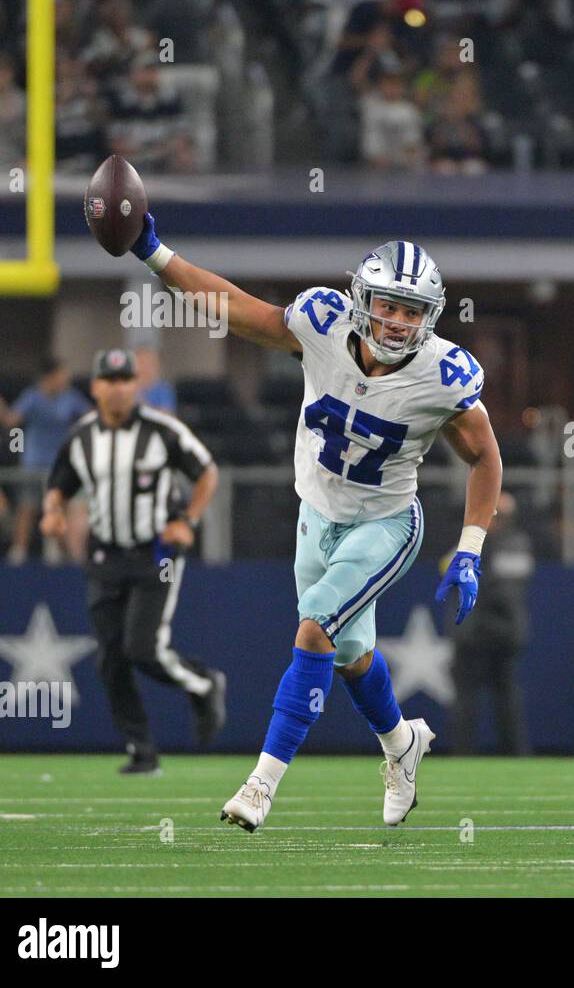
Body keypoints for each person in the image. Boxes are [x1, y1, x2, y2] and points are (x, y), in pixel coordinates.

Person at [113, 213, 502, 831]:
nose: (398, 321)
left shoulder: (442, 374)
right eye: (389, 305)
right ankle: (402, 745)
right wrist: (155, 254)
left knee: (317, 626)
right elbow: (238, 309)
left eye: (412, 311)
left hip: (386, 525)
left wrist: (471, 546)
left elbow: (484, 455)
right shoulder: (323, 323)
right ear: (362, 298)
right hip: (314, 515)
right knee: (350, 652)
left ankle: (261, 785)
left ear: (429, 316)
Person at [41, 349, 226, 774]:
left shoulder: (162, 430)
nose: (119, 388)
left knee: (143, 649)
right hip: (105, 556)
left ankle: (204, 684)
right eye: (110, 379)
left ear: (135, 386)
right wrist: (52, 512)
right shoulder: (82, 435)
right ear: (95, 387)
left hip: (154, 555)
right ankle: (140, 749)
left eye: (126, 380)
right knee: (110, 658)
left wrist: (188, 519)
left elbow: (207, 471)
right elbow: (60, 483)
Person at [448, 491, 533, 755]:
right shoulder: (517, 544)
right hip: (495, 632)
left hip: (486, 631)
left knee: (495, 699)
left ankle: (509, 753)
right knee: (479, 699)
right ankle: (471, 753)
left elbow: (496, 589)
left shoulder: (486, 545)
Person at [0, 358, 90, 565]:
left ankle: (60, 554)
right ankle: (18, 552)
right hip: (34, 464)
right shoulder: (32, 397)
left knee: (62, 508)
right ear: (50, 377)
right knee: (27, 506)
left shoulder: (71, 397)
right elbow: (11, 421)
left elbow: (89, 417)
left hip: (61, 465)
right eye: (61, 375)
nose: (65, 379)